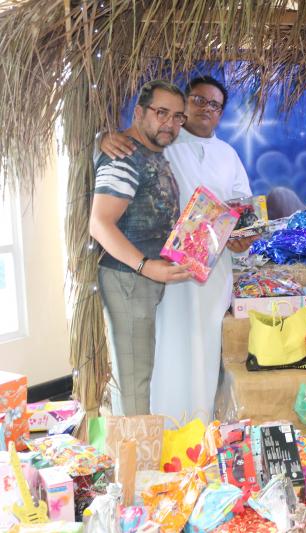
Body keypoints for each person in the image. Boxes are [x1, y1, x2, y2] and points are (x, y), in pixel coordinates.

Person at [99, 76, 253, 422]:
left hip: (213, 272)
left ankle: (197, 427)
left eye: (214, 105)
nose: (206, 109)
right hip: (163, 271)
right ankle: (161, 429)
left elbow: (243, 208)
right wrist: (102, 139)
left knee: (205, 348)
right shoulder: (163, 141)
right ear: (186, 105)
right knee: (164, 350)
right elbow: (123, 149)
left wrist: (243, 235)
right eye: (199, 100)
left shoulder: (228, 154)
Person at [89, 80, 192, 416]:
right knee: (133, 381)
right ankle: (134, 466)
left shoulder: (152, 153)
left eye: (178, 117)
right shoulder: (124, 156)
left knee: (140, 372)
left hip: (144, 278)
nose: (170, 123)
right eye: (161, 112)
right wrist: (145, 265)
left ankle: (137, 459)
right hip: (129, 279)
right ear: (139, 112)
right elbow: (100, 223)